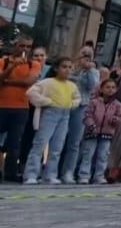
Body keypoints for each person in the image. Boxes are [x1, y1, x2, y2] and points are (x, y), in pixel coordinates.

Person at [0, 35, 41, 184]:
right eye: (22, 46)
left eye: (28, 47)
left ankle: (10, 174)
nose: (25, 50)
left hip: (20, 108)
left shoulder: (33, 64)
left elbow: (29, 82)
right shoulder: (0, 61)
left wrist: (7, 82)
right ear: (15, 46)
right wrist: (11, 67)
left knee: (14, 143)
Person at [23, 57, 81, 185]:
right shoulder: (47, 82)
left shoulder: (72, 85)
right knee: (40, 143)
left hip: (65, 115)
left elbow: (77, 98)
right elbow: (31, 93)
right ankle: (31, 174)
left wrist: (72, 104)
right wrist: (46, 102)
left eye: (70, 67)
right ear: (56, 69)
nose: (67, 70)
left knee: (57, 146)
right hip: (50, 113)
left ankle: (50, 174)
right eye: (64, 67)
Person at [59, 46, 100, 184]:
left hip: (81, 107)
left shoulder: (93, 71)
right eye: (84, 53)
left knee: (74, 142)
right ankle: (51, 170)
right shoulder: (68, 66)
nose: (86, 56)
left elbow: (92, 86)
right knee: (58, 140)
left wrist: (88, 69)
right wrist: (76, 68)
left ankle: (68, 172)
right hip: (64, 105)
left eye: (89, 54)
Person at [79, 77, 121, 185]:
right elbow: (87, 115)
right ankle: (84, 175)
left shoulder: (117, 104)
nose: (110, 90)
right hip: (92, 132)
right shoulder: (94, 102)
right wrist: (91, 125)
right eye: (107, 87)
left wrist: (115, 120)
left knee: (103, 155)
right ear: (101, 89)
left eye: (113, 87)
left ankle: (99, 176)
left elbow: (120, 117)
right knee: (88, 154)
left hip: (107, 133)